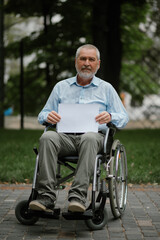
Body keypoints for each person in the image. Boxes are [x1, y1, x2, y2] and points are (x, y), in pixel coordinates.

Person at [29, 44, 129, 213]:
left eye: (91, 59)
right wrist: (47, 117)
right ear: (76, 62)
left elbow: (124, 118)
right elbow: (42, 114)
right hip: (65, 138)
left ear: (98, 63)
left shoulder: (106, 89)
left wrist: (111, 117)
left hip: (95, 139)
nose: (86, 63)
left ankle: (78, 197)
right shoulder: (61, 87)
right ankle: (46, 196)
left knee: (89, 138)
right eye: (83, 59)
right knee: (47, 138)